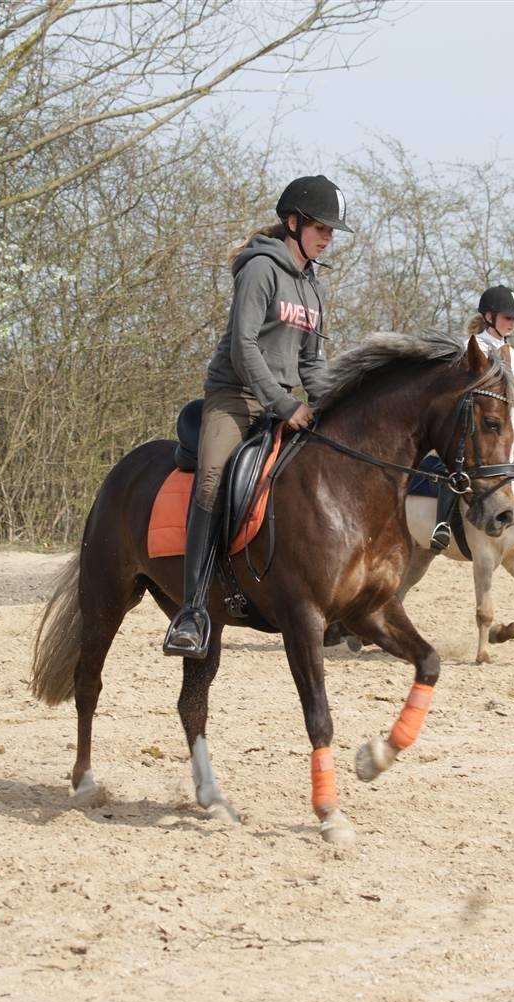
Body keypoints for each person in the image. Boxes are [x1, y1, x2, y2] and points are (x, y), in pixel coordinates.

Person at [163, 175, 354, 658]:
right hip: (234, 397)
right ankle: (192, 611)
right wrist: (283, 403)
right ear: (292, 223)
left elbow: (311, 362)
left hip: (282, 403)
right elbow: (243, 346)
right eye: (320, 227)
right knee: (211, 480)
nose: (327, 237)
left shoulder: (313, 286)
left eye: (332, 231)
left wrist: (332, 407)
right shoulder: (260, 271)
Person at [429, 284, 514, 553]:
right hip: (470, 423)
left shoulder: (512, 354)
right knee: (455, 463)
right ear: (489, 317)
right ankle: (442, 524)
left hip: (504, 426)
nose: (512, 323)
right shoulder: (471, 347)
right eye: (508, 317)